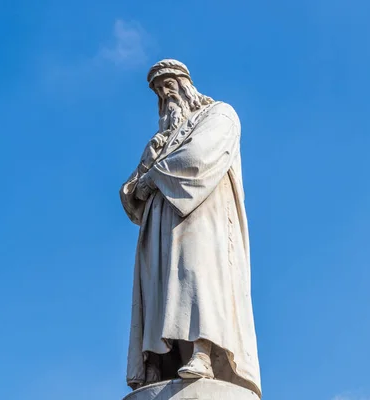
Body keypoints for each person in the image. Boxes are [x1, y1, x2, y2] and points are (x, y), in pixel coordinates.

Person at [120, 59, 261, 397]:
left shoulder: (219, 115)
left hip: (201, 217)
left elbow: (198, 157)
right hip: (160, 228)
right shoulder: (160, 140)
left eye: (169, 85)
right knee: (162, 289)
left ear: (185, 84)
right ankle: (161, 359)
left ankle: (203, 352)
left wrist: (153, 176)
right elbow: (133, 189)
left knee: (199, 279)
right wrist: (143, 177)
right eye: (158, 90)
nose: (165, 94)